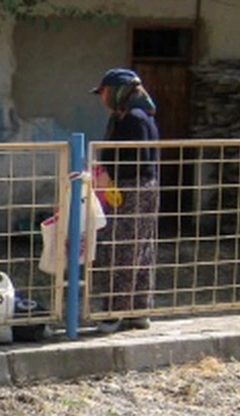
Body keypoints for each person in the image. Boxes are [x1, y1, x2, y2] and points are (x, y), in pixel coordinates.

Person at [91, 67, 160, 333]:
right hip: (138, 188)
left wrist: (110, 176)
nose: (102, 99)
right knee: (140, 248)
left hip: (134, 189)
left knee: (123, 249)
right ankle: (138, 311)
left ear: (120, 92)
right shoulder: (134, 117)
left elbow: (135, 159)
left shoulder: (134, 119)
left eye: (105, 92)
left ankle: (115, 313)